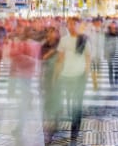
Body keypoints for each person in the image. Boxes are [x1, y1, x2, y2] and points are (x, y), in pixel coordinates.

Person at [45, 17, 90, 145]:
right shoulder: (64, 40)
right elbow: (60, 60)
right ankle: (54, 128)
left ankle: (74, 136)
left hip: (79, 76)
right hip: (65, 76)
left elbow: (88, 59)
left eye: (74, 24)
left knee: (77, 107)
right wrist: (55, 76)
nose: (71, 26)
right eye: (69, 24)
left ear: (78, 25)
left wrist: (85, 76)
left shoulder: (84, 40)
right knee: (58, 103)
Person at [104, 20, 118, 88]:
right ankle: (111, 81)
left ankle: (116, 79)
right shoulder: (107, 34)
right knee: (110, 67)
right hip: (109, 53)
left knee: (117, 67)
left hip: (116, 52)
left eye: (114, 25)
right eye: (112, 25)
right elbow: (104, 44)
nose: (113, 26)